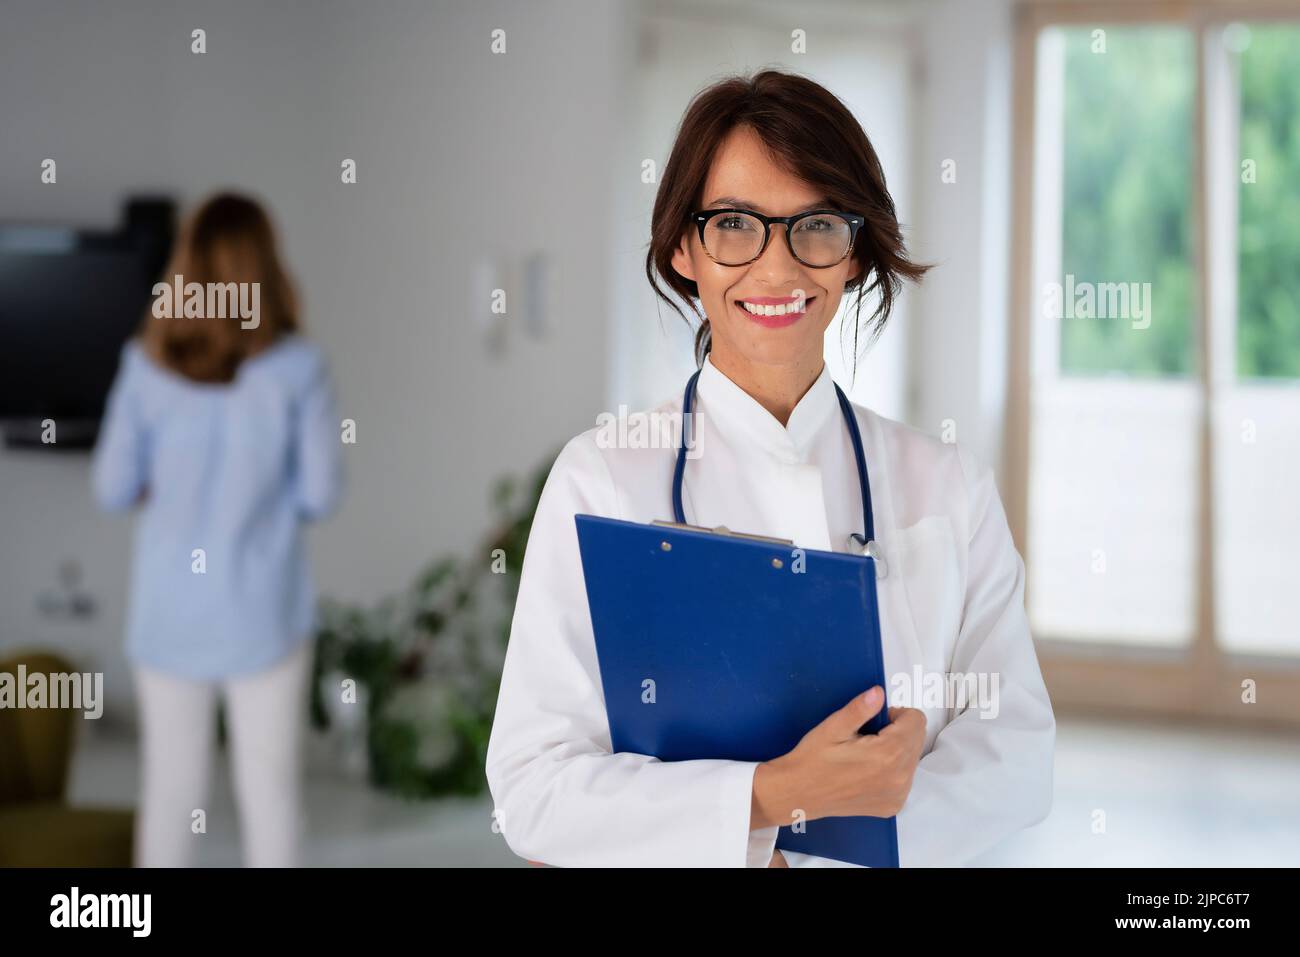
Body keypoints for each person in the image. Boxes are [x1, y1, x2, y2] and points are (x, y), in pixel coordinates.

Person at [485, 70, 1055, 867]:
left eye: (816, 225)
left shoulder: (947, 484)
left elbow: (1018, 750)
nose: (779, 268)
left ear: (854, 253)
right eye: (735, 225)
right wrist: (765, 804)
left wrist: (835, 856)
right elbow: (532, 786)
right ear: (685, 249)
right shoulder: (602, 480)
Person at [91, 192, 342, 867]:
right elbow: (319, 494)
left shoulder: (145, 367)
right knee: (271, 795)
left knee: (171, 797)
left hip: (170, 616)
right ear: (267, 265)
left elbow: (111, 486)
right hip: (265, 615)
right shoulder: (298, 369)